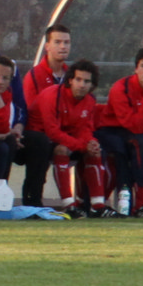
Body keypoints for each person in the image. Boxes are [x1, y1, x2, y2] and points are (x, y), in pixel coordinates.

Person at [28, 59, 112, 216]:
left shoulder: (89, 100)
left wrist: (91, 142)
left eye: (87, 81)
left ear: (92, 84)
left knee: (95, 151)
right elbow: (52, 131)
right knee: (62, 149)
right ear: (70, 80)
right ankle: (69, 205)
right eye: (78, 79)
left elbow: (84, 128)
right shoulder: (52, 95)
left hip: (66, 137)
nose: (82, 85)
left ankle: (97, 205)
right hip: (38, 139)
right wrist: (82, 145)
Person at [97, 48, 143, 216]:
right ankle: (141, 202)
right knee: (140, 143)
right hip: (115, 130)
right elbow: (133, 125)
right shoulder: (121, 88)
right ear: (136, 69)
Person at [14, 24, 76, 207]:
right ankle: (33, 201)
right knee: (41, 143)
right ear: (47, 46)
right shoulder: (35, 75)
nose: (63, 46)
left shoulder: (72, 76)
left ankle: (89, 203)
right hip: (40, 133)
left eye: (66, 42)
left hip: (62, 132)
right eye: (58, 42)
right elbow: (33, 112)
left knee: (95, 144)